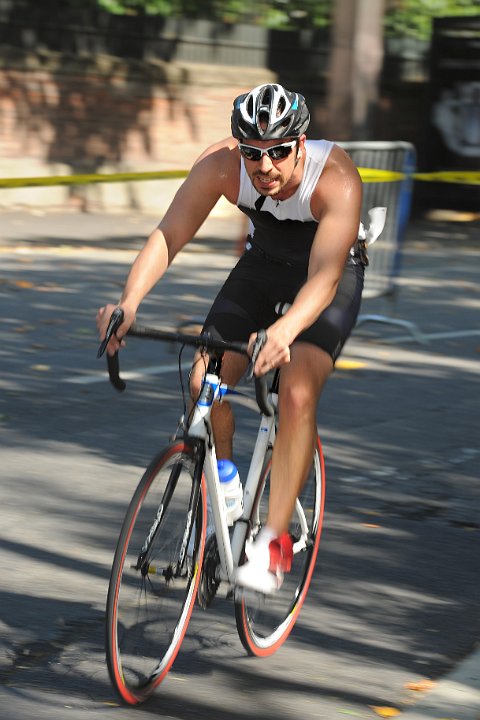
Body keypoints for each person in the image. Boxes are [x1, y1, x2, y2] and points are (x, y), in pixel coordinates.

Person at [97, 83, 364, 595]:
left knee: (297, 389)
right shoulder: (220, 165)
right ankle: (226, 484)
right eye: (252, 153)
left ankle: (273, 544)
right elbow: (169, 234)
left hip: (328, 274)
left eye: (278, 152)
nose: (264, 166)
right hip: (262, 266)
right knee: (205, 380)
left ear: (300, 145)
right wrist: (128, 302)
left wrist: (285, 330)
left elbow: (326, 277)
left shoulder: (335, 177)